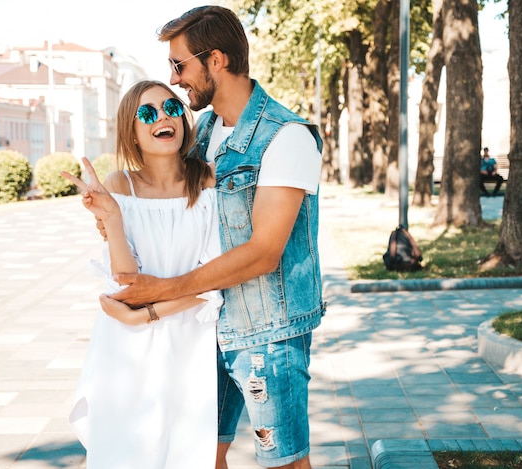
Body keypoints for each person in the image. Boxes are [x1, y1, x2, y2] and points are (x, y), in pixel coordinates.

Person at [97, 6, 324, 469]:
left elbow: (263, 253)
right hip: (204, 332)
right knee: (199, 455)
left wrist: (161, 294)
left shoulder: (287, 138)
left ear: (215, 60)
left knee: (283, 463)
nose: (176, 80)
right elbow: (161, 204)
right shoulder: (201, 136)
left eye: (179, 65)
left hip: (266, 336)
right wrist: (113, 213)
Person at [63, 80, 223, 468]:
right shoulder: (121, 185)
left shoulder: (207, 180)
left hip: (189, 343)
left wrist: (149, 312)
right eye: (147, 113)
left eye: (170, 108)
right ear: (131, 132)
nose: (163, 118)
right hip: (126, 348)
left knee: (186, 452)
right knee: (124, 453)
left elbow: (214, 281)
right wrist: (112, 217)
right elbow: (124, 281)